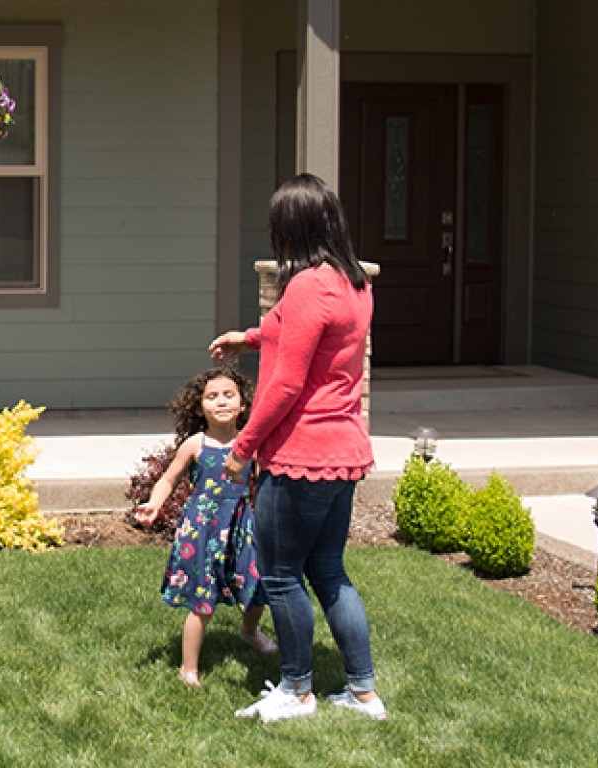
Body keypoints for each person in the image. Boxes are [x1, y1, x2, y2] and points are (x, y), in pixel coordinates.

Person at [210, 173, 387, 722]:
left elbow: (285, 383)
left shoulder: (308, 284)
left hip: (302, 455)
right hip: (343, 451)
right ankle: (363, 694)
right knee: (329, 570)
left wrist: (243, 446)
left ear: (292, 229)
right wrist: (250, 337)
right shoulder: (353, 282)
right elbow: (305, 333)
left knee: (283, 574)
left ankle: (297, 690)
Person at [134, 366, 278, 687]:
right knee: (202, 598)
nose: (221, 402)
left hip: (241, 524)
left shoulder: (250, 444)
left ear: (243, 404)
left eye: (229, 395)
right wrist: (154, 503)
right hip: (201, 527)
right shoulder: (194, 445)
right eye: (212, 397)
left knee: (256, 585)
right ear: (200, 407)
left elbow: (266, 482)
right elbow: (169, 479)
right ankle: (189, 669)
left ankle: (249, 631)